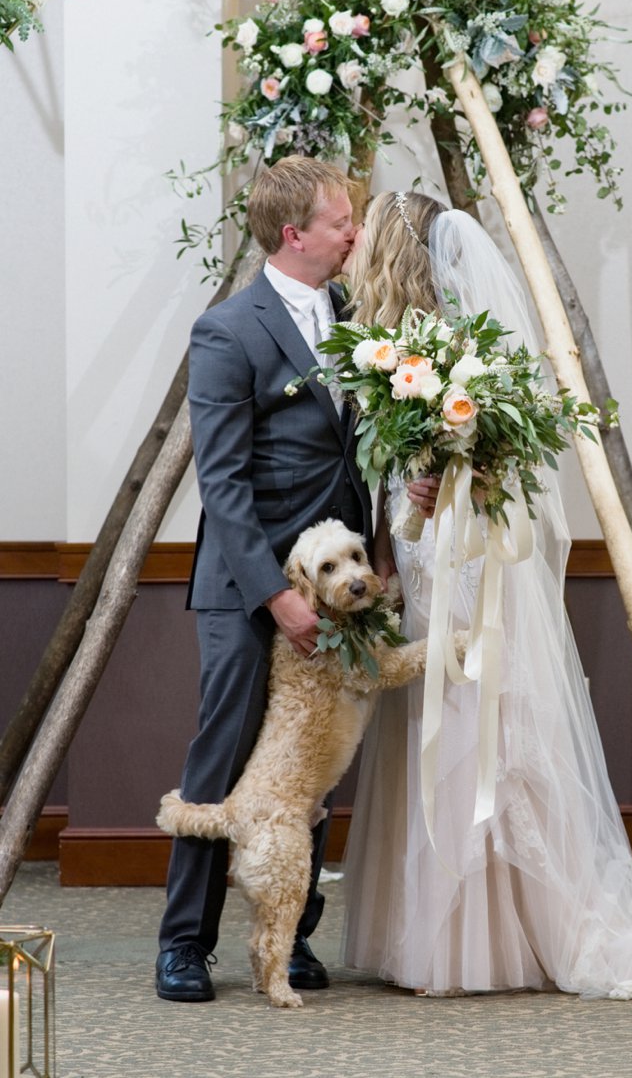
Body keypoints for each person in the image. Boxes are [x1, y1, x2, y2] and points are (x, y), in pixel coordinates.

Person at [339, 191, 632, 1001]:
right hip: (422, 557)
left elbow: (506, 465)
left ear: (394, 250)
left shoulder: (467, 352)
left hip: (464, 561)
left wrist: (456, 474)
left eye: (365, 238)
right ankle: (449, 930)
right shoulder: (395, 349)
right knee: (436, 719)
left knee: (476, 720)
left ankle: (497, 934)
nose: (353, 250)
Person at [156, 156, 378, 1002]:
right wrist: (277, 595)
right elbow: (223, 481)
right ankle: (184, 942)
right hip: (248, 587)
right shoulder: (228, 329)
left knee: (310, 763)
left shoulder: (353, 314)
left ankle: (290, 938)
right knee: (224, 756)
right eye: (340, 220)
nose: (352, 231)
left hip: (337, 582)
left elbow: (360, 450)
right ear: (295, 235)